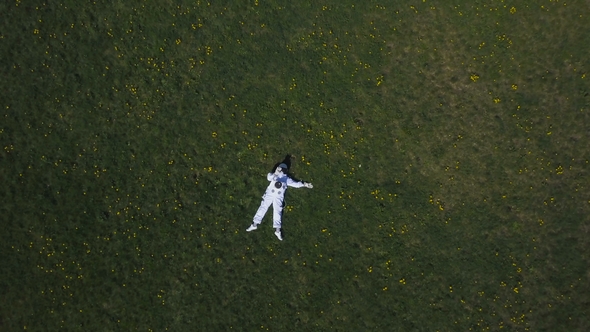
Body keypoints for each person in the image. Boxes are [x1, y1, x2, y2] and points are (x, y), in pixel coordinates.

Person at [246, 161, 313, 240]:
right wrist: (275, 173)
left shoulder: (286, 179)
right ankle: (254, 224)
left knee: (277, 212)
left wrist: (305, 184)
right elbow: (269, 177)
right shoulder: (274, 176)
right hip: (269, 195)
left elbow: (296, 184)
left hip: (278, 197)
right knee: (262, 208)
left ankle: (277, 231)